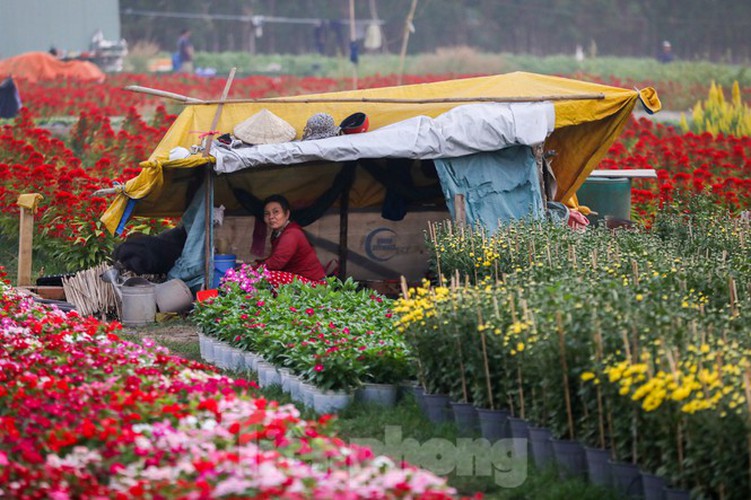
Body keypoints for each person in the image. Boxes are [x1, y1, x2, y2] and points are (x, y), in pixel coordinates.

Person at [253, 194, 326, 286]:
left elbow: (276, 262)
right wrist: (256, 264)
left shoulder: (292, 234)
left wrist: (251, 270)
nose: (271, 217)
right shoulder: (278, 233)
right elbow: (275, 258)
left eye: (276, 212)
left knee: (268, 276)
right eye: (267, 214)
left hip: (313, 284)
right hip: (299, 279)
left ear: (287, 214)